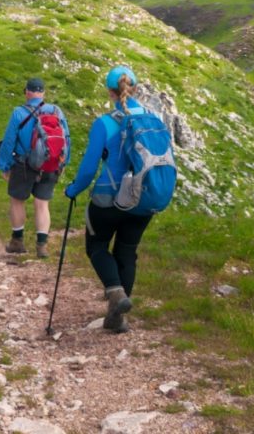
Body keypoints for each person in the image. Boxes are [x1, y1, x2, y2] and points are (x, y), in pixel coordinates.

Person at [64, 66, 154, 334]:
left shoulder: (104, 123)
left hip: (109, 197)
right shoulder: (151, 118)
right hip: (141, 199)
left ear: (109, 92)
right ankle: (117, 315)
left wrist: (73, 190)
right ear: (135, 89)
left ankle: (115, 295)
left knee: (97, 246)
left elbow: (90, 167)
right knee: (127, 252)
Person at [0, 77, 70, 259]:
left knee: (17, 201)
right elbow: (66, 138)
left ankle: (17, 241)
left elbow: (9, 141)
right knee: (42, 205)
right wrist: (63, 162)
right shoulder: (56, 110)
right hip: (50, 164)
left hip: (24, 165)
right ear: (43, 93)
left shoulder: (19, 112)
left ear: (27, 92)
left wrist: (4, 165)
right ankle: (42, 246)